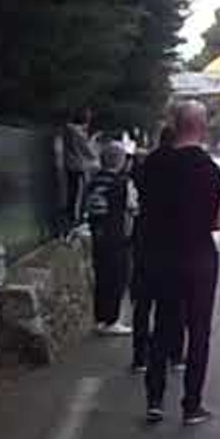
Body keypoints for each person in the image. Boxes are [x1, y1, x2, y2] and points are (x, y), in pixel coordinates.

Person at [140, 101, 220, 425]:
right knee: (198, 330)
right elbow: (219, 223)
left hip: (162, 254)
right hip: (199, 255)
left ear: (174, 125)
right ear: (202, 127)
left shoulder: (153, 164)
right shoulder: (209, 169)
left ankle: (154, 399)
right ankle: (191, 404)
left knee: (162, 325)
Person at [130, 125, 184, 374]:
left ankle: (140, 356)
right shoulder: (182, 164)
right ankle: (174, 354)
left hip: (145, 236)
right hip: (173, 239)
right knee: (174, 302)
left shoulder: (145, 164)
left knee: (142, 303)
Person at [84, 140, 137, 336]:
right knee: (117, 277)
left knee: (101, 277)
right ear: (120, 161)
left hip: (97, 233)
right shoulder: (122, 183)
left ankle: (99, 319)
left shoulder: (94, 181)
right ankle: (112, 319)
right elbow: (132, 207)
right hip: (117, 236)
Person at [63, 107, 100, 233]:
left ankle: (72, 222)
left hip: (70, 166)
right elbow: (88, 151)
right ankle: (75, 223)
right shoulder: (78, 133)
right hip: (78, 167)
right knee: (78, 196)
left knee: (72, 195)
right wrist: (93, 139)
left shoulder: (68, 130)